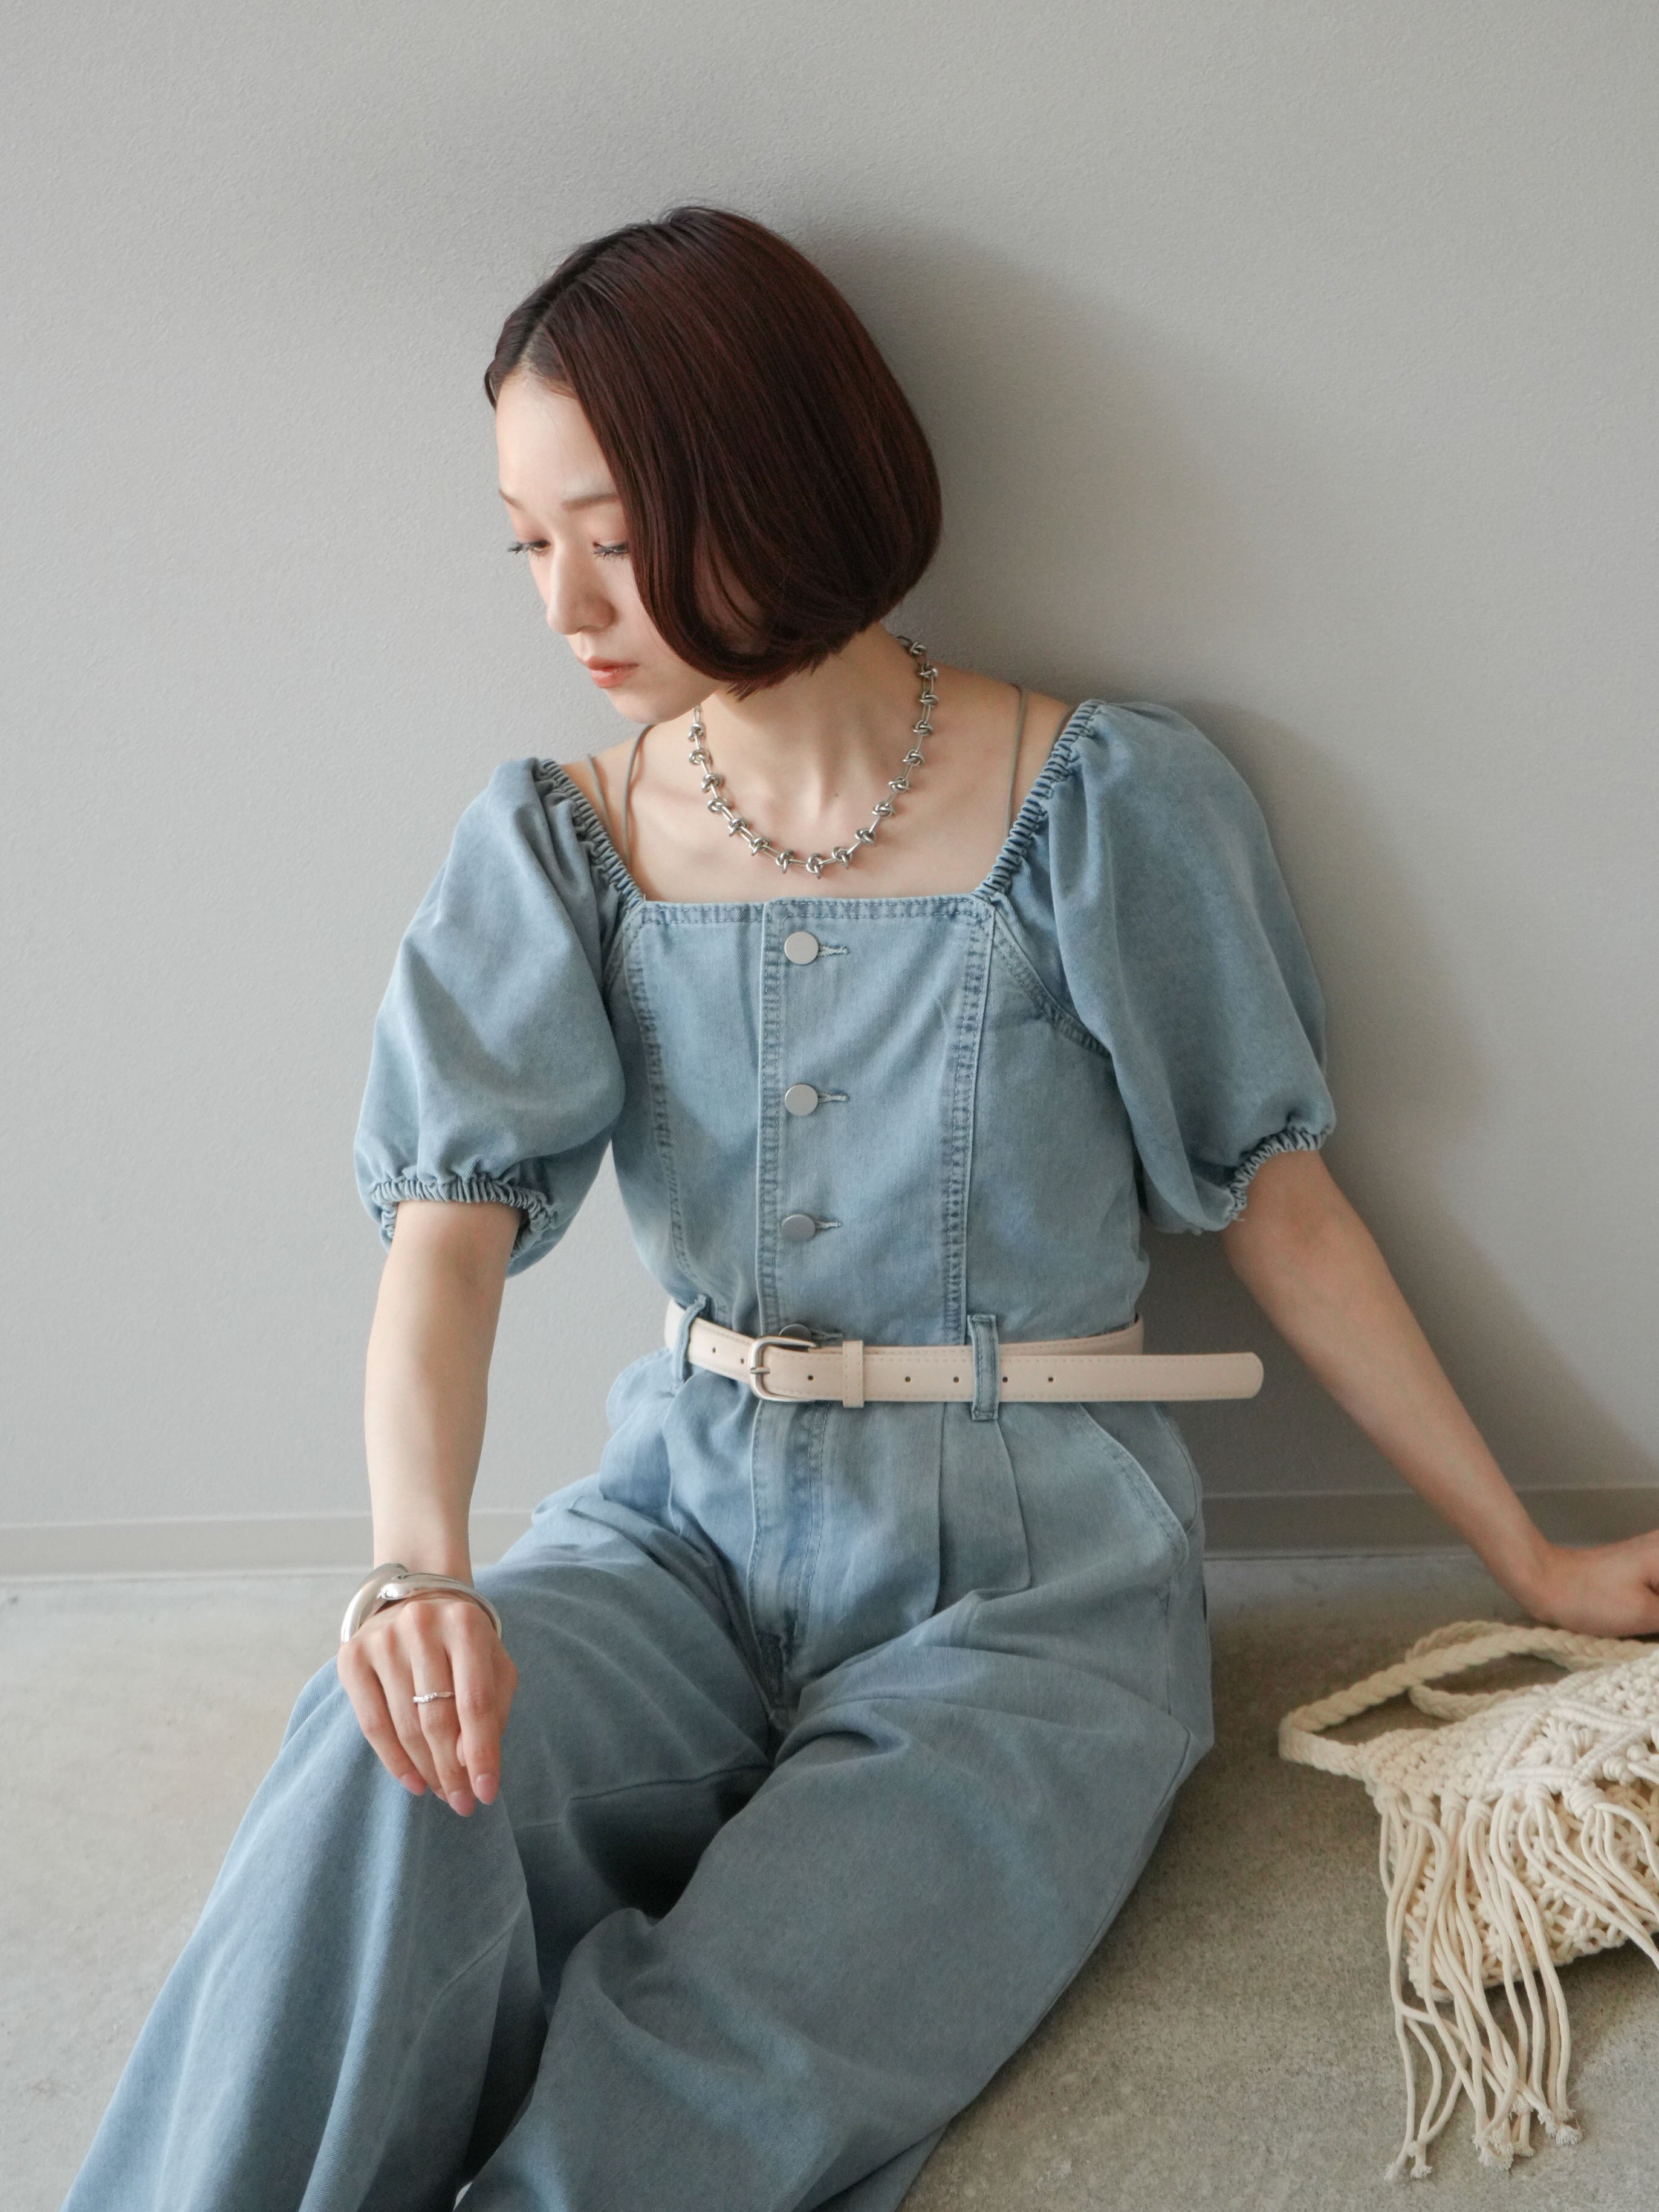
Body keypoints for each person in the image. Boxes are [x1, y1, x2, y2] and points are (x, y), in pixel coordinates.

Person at [62, 205, 1659, 2212]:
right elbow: (444, 1243)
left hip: (1036, 1591)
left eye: (614, 533)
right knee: (367, 1781)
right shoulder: (562, 846)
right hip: (674, 1530)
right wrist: (415, 1574)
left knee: (729, 2046)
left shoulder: (1103, 801)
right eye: (526, 542)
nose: (567, 604)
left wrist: (1528, 1547)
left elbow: (1280, 1201)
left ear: (776, 481)